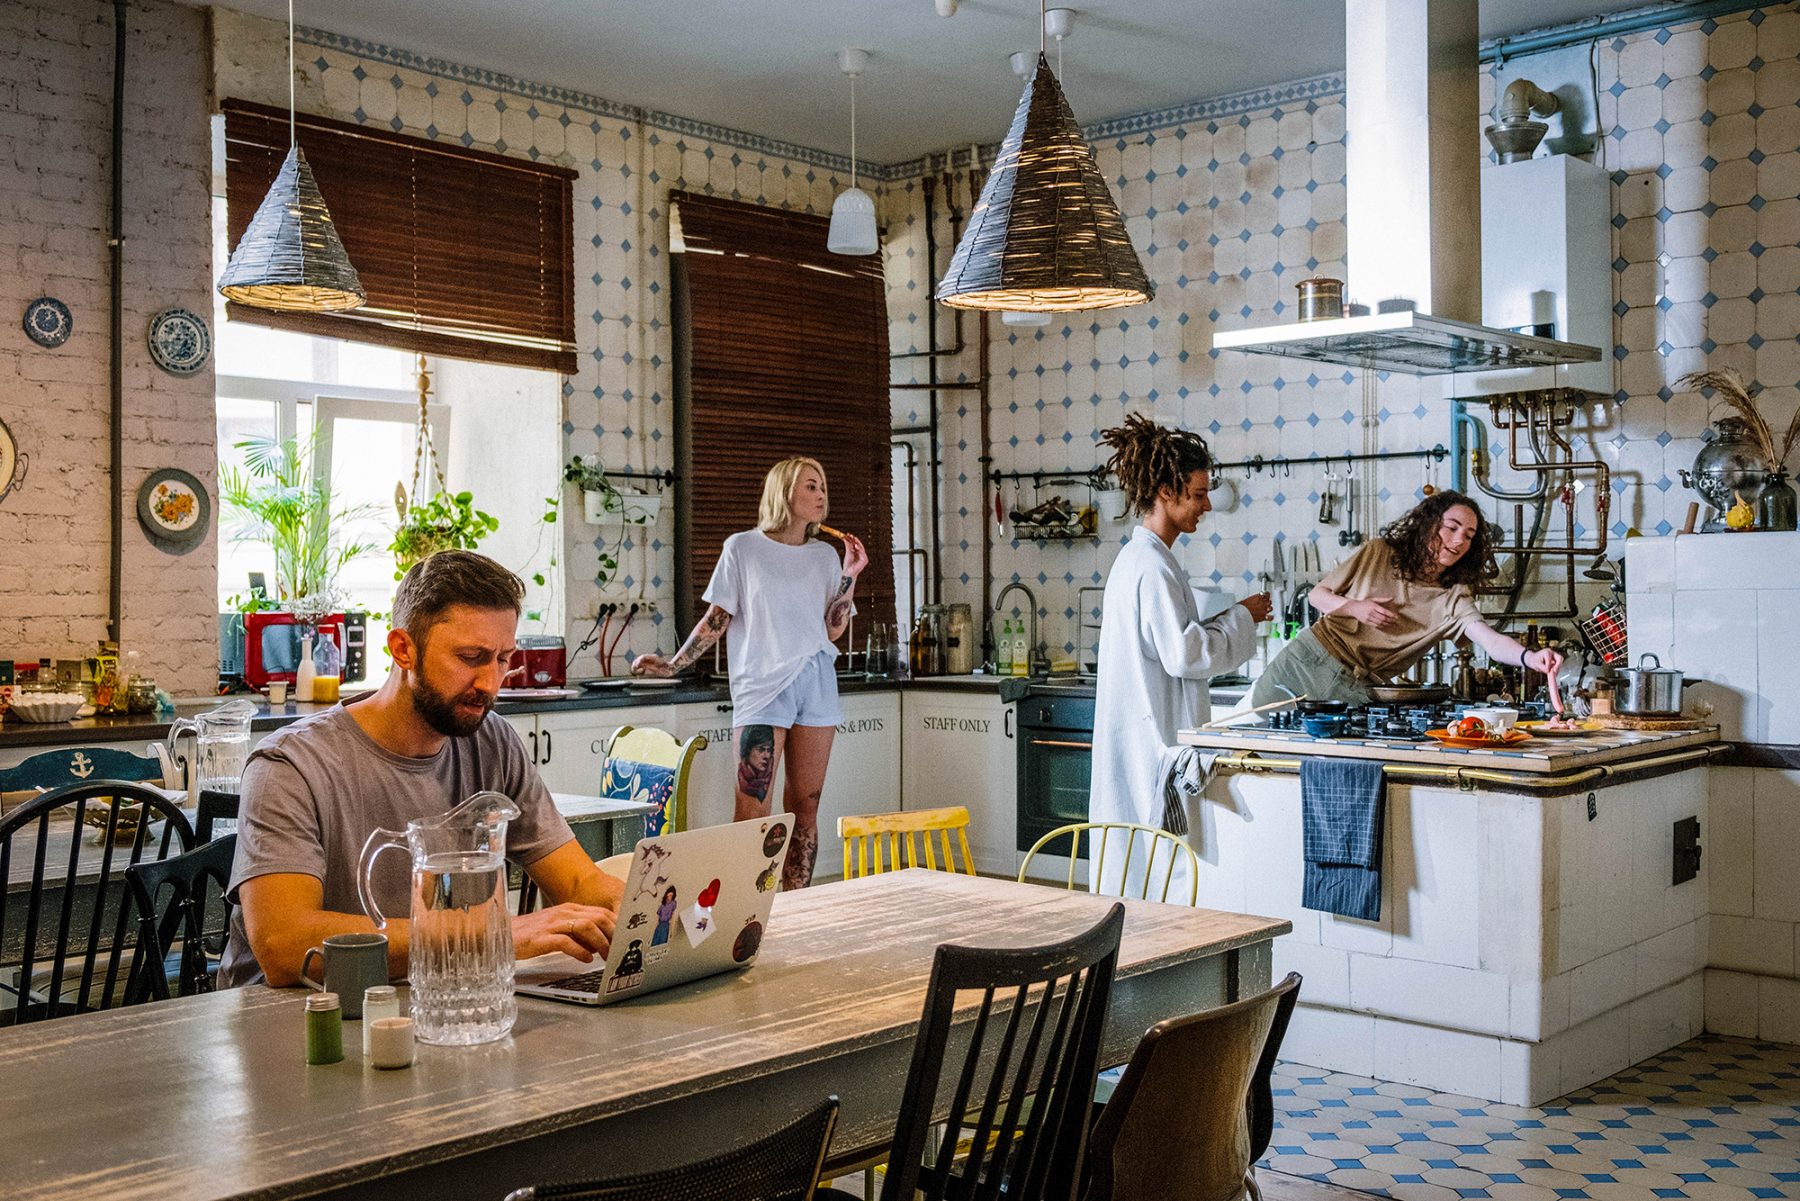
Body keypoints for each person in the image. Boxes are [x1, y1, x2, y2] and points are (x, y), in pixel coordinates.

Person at [222, 551, 625, 988]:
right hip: (298, 1022)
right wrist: (493, 936)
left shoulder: (494, 742)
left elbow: (581, 881)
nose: (491, 683)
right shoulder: (290, 766)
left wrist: (667, 911)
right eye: (471, 657)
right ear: (403, 649)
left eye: (503, 659)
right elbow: (285, 946)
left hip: (438, 1005)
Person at [632, 457, 867, 889]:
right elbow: (718, 618)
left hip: (816, 681)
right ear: (784, 493)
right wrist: (673, 664)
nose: (821, 495)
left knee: (806, 805)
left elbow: (832, 627)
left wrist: (849, 575)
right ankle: (745, 907)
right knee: (752, 810)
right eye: (811, 486)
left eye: (823, 487)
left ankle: (799, 906)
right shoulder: (743, 548)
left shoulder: (824, 555)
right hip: (762, 686)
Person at [1089, 414, 1273, 898]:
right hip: (1150, 742)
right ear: (1167, 493)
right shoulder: (1150, 567)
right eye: (1198, 494)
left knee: (1138, 867)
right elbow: (1185, 654)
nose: (1207, 505)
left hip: (1142, 738)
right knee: (1150, 874)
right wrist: (1243, 617)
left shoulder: (1147, 561)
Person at [1248, 490, 1565, 710]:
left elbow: (1491, 642)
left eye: (1468, 536)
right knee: (1261, 749)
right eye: (1451, 528)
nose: (1458, 541)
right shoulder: (1379, 552)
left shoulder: (1453, 597)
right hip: (1307, 659)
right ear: (1429, 525)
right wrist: (1355, 608)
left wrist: (1530, 658)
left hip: (1356, 688)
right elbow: (1318, 596)